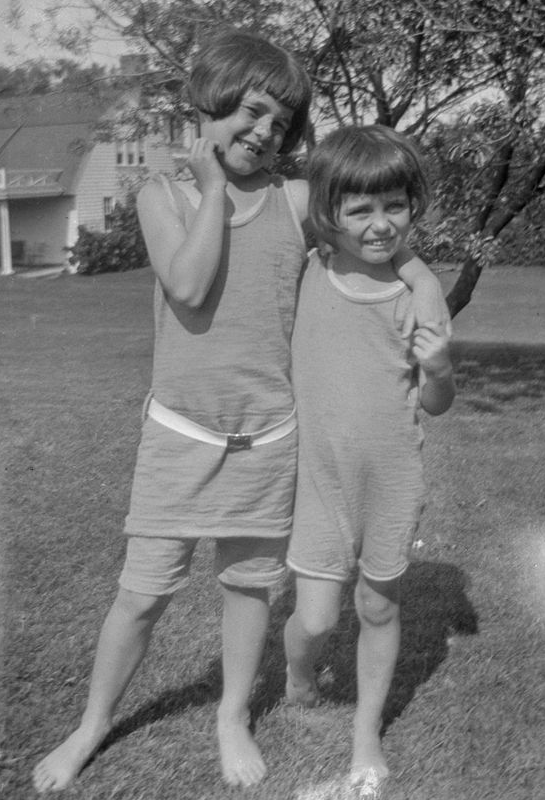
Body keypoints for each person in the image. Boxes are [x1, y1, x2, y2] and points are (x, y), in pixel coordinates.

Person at [33, 29, 449, 793]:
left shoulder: (295, 201)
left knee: (248, 588)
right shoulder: (160, 196)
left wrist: (421, 280)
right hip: (179, 435)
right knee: (143, 592)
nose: (262, 133)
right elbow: (189, 287)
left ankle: (231, 714)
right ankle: (90, 725)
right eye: (250, 114)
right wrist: (215, 189)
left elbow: (375, 234)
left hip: (268, 440)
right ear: (210, 104)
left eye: (279, 124)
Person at [284, 125, 455, 799]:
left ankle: (365, 737)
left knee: (377, 608)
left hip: (390, 476)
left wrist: (438, 368)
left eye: (394, 205)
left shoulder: (415, 296)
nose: (380, 224)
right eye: (360, 209)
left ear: (411, 204)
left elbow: (437, 403)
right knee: (318, 618)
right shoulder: (307, 270)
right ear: (329, 213)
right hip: (318, 478)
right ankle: (298, 679)